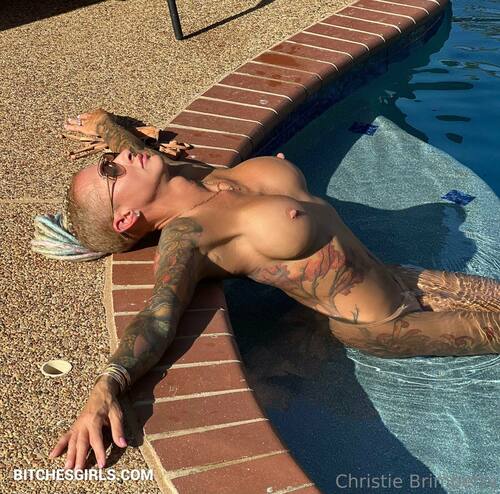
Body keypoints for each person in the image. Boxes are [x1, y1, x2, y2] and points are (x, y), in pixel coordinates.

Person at [38, 109, 499, 470]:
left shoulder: (195, 177)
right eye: (111, 170)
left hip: (400, 277)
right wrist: (107, 385)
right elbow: (159, 314)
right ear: (126, 219)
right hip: (380, 324)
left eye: (111, 158)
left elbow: (132, 150)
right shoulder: (189, 236)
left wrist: (106, 125)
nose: (122, 158)